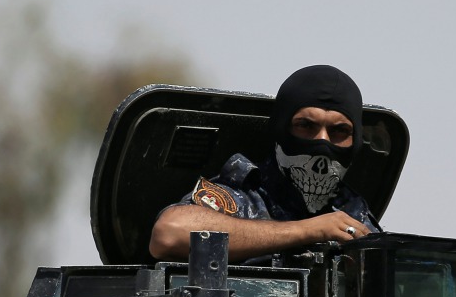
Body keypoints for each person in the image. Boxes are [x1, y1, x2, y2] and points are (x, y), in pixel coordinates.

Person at [149, 64, 382, 262]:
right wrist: (309, 230)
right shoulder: (243, 196)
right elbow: (169, 233)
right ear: (282, 129)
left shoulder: (351, 213)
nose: (322, 142)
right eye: (306, 126)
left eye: (339, 130)